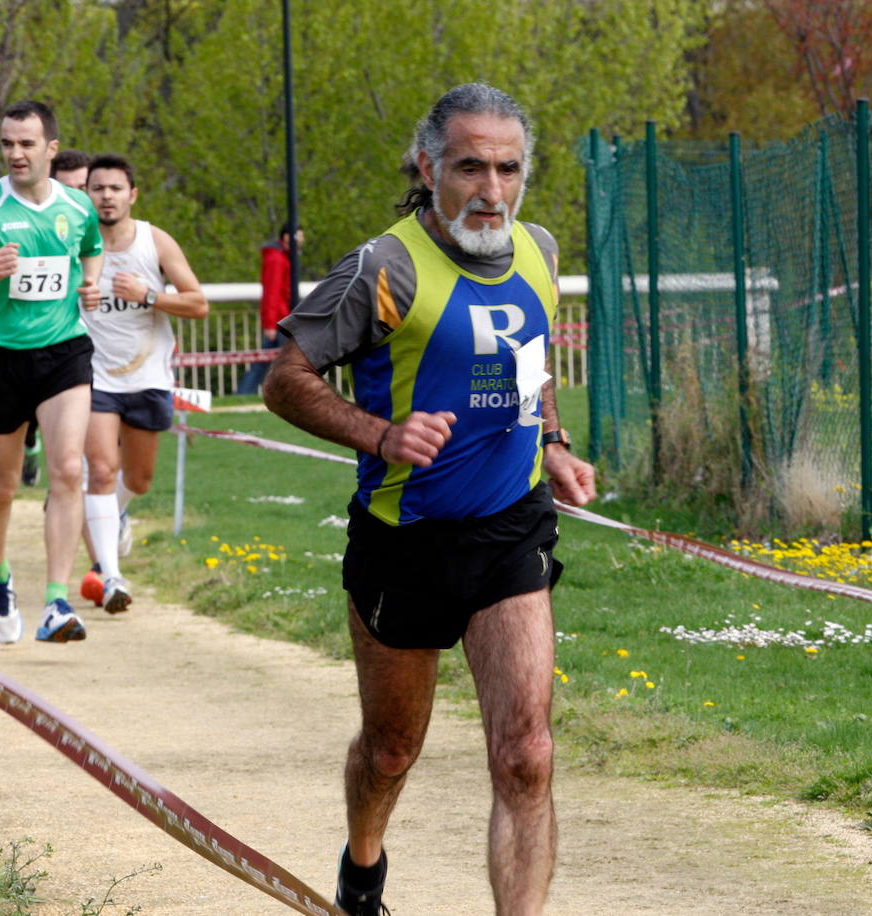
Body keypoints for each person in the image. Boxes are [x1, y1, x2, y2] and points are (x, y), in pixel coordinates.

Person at [262, 83, 597, 916]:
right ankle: (364, 867)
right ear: (429, 165)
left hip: (509, 528)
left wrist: (550, 442)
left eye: (508, 168)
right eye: (470, 167)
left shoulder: (540, 250)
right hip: (403, 538)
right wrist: (380, 435)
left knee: (527, 754)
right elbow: (285, 380)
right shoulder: (386, 267)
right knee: (390, 749)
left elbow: (530, 359)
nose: (491, 190)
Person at [0, 100, 103, 645]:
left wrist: (91, 284)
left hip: (64, 351)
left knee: (69, 470)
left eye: (27, 143)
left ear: (51, 148)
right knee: (3, 486)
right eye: (7, 143)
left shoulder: (78, 206)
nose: (15, 153)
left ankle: (56, 601)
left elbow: (92, 249)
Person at [77, 153, 208, 613]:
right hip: (91, 375)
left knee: (139, 478)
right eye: (98, 188)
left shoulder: (154, 241)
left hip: (148, 375)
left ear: (131, 195)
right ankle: (109, 575)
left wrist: (149, 295)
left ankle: (113, 512)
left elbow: (198, 303)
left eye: (115, 188)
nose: (106, 196)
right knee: (100, 469)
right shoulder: (74, 243)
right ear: (85, 194)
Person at [22, 149, 91, 486]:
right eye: (69, 188)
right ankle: (30, 444)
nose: (79, 196)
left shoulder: (112, 230)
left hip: (96, 353)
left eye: (85, 186)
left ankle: (70, 495)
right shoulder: (36, 229)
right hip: (45, 343)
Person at [235, 223, 301, 396]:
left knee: (267, 362)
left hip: (282, 318)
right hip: (280, 319)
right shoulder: (277, 259)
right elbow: (272, 292)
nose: (301, 240)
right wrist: (270, 324)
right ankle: (246, 393)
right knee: (280, 362)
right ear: (287, 237)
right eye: (299, 236)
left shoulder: (281, 257)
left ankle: (245, 394)